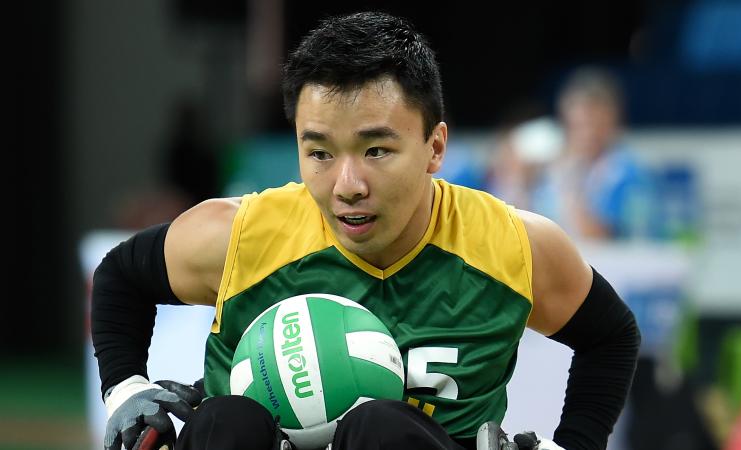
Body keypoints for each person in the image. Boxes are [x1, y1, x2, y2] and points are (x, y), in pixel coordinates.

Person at [92, 12, 640, 450]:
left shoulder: (511, 245)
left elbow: (611, 337)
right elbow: (120, 276)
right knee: (227, 422)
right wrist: (124, 389)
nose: (348, 184)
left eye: (376, 149)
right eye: (320, 153)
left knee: (382, 430)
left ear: (435, 147)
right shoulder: (242, 234)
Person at [530, 67, 653, 240]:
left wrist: (570, 188)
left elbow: (602, 239)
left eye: (595, 124)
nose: (588, 135)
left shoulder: (627, 173)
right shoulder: (547, 168)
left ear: (613, 121)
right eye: (580, 125)